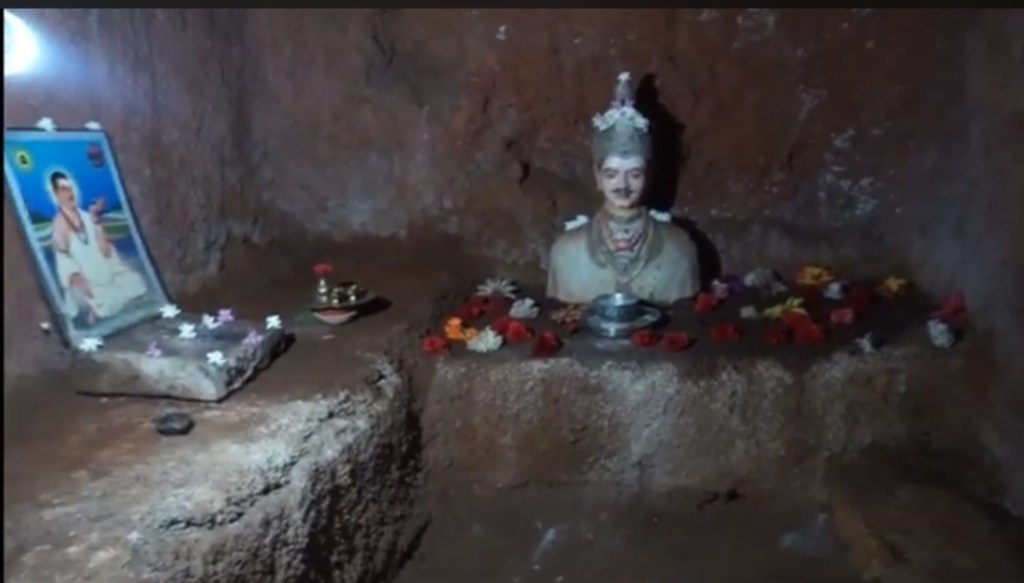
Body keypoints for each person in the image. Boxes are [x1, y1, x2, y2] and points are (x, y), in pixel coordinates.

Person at [546, 72, 701, 305]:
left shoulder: (679, 249)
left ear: (649, 176)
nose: (623, 185)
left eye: (635, 174)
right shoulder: (566, 252)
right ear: (597, 176)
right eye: (612, 174)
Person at [47, 170, 147, 326]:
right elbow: (64, 262)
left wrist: (95, 219)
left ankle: (100, 305)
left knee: (137, 281)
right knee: (91, 298)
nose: (69, 193)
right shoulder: (58, 225)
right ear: (56, 194)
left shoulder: (87, 216)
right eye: (64, 189)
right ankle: (95, 307)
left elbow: (106, 250)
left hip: (106, 275)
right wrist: (79, 280)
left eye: (70, 188)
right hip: (85, 282)